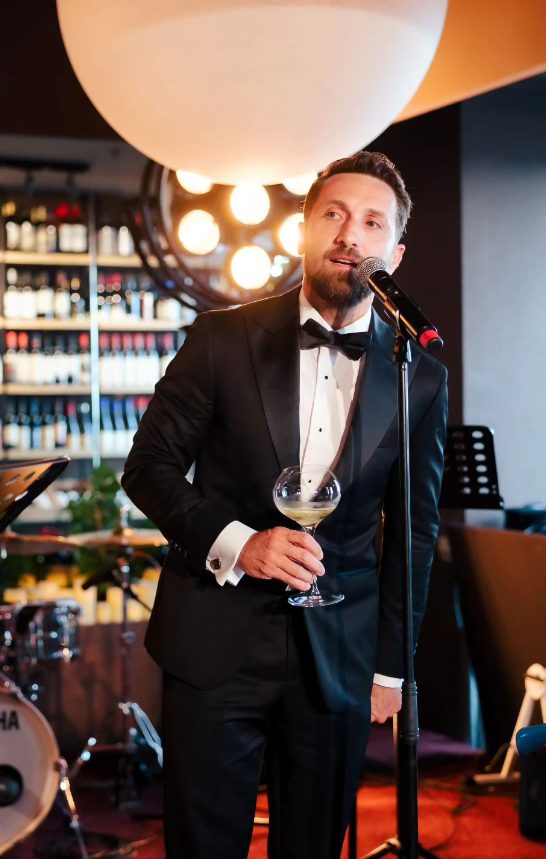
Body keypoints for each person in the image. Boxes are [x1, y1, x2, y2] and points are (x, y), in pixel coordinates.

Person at [120, 151, 448, 859]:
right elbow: (147, 469)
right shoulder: (221, 337)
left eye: (371, 222)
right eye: (333, 214)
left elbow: (415, 531)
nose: (349, 234)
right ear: (303, 230)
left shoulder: (418, 375)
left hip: (341, 652)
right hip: (214, 636)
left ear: (393, 253)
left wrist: (391, 667)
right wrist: (241, 541)